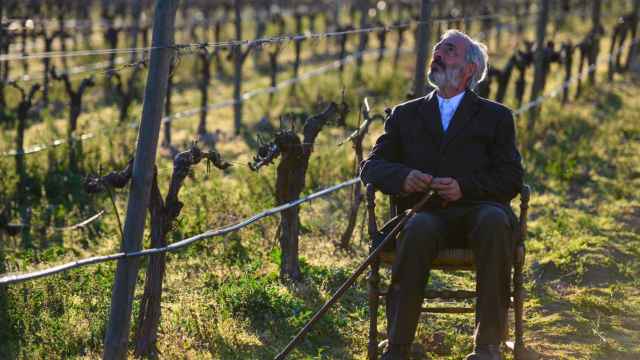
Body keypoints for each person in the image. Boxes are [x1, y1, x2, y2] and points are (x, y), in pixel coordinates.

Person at [360, 29, 524, 360]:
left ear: (470, 69)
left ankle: (488, 347)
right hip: (425, 214)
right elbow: (372, 167)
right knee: (417, 227)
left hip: (479, 211)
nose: (437, 53)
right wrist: (404, 177)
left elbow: (511, 177)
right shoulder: (405, 115)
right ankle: (399, 346)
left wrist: (465, 186)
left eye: (449, 50)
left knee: (494, 221)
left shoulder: (496, 117)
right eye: (437, 48)